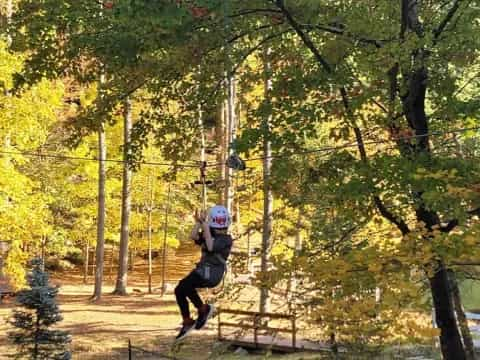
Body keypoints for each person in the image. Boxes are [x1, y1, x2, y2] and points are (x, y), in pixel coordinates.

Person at [174, 205, 233, 341]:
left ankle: (203, 309)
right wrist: (199, 223)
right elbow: (193, 236)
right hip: (203, 271)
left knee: (185, 285)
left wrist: (206, 227)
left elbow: (211, 247)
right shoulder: (209, 234)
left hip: (212, 274)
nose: (219, 229)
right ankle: (188, 320)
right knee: (179, 290)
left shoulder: (226, 240)